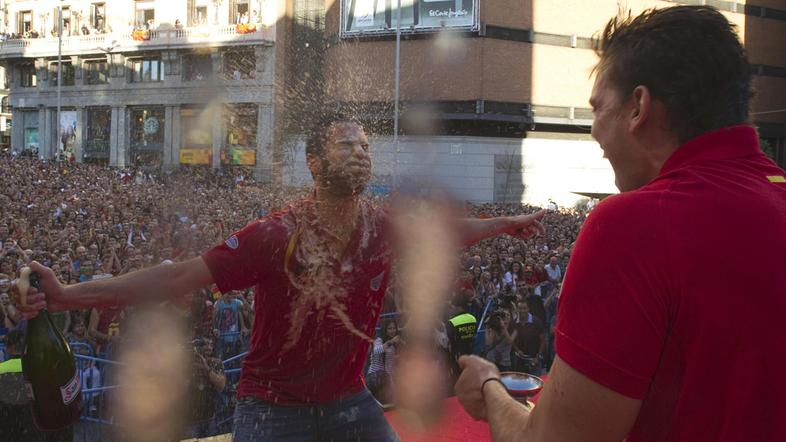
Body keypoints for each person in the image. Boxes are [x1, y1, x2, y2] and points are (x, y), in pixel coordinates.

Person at [14, 116, 546, 441]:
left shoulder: (383, 226)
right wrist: (66, 298)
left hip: (349, 401)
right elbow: (177, 276)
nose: (361, 152)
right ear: (314, 164)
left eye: (365, 145)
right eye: (346, 145)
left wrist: (505, 222)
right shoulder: (275, 234)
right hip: (271, 410)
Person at [455, 6, 786, 441]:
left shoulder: (634, 225)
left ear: (637, 108)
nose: (593, 132)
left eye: (597, 108)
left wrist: (489, 387)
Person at [0, 330, 73, 442]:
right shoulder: (47, 371)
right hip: (38, 432)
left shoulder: (1, 370)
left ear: (9, 349)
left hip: (8, 431)